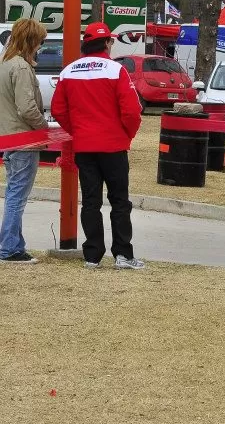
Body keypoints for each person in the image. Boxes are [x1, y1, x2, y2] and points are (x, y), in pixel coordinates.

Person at [51, 22, 145, 270]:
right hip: (113, 146)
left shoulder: (69, 71)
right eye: (111, 41)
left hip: (84, 146)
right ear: (106, 43)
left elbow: (58, 109)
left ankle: (92, 256)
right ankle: (123, 254)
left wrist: (78, 131)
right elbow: (132, 112)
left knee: (91, 201)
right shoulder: (116, 70)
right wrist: (127, 135)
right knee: (119, 201)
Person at [0, 18, 48, 264]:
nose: (41, 45)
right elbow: (27, 108)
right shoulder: (20, 67)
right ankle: (9, 248)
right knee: (17, 196)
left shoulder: (5, 62)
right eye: (40, 40)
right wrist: (44, 127)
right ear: (31, 40)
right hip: (24, 139)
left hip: (9, 138)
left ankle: (14, 246)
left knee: (14, 193)